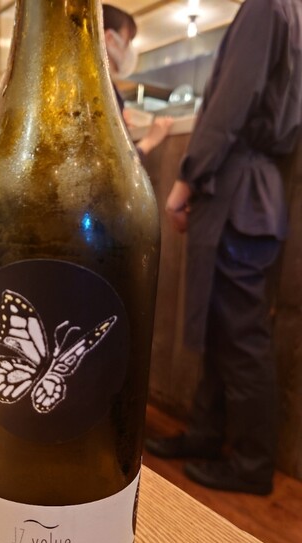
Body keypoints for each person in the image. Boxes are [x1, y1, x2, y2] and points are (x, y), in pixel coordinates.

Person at [146, 0, 302, 495]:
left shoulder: (266, 6)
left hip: (239, 193)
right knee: (223, 325)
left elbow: (230, 105)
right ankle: (206, 433)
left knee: (239, 331)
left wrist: (186, 180)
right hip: (252, 192)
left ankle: (253, 463)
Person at [102, 4, 173, 160]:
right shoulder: (100, 91)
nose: (130, 49)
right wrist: (149, 141)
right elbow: (113, 164)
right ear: (110, 39)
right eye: (128, 41)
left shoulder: (106, 88)